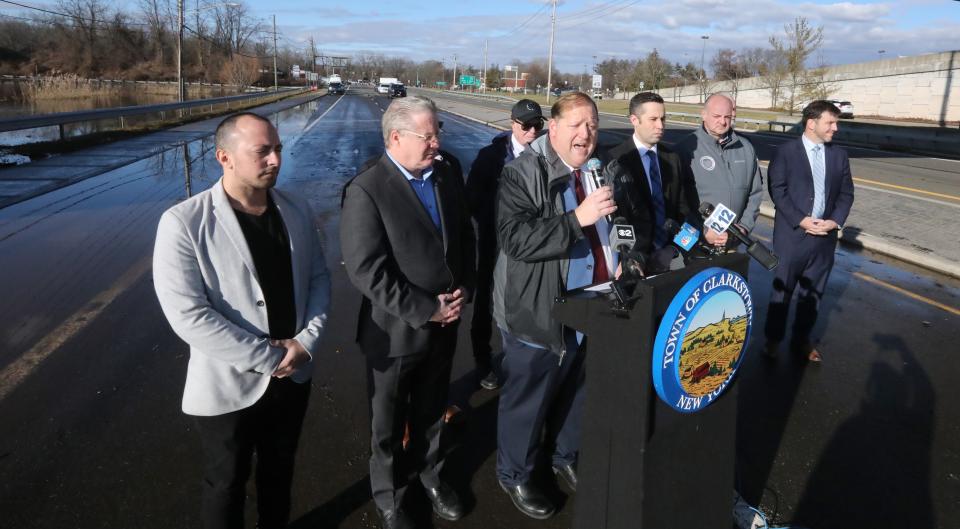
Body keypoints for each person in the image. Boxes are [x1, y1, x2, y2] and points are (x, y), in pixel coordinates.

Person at [152, 112, 331, 529]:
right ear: (224, 157)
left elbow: (319, 279)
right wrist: (268, 358)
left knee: (279, 472)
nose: (275, 160)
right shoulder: (184, 222)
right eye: (262, 152)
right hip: (228, 383)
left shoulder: (296, 209)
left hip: (294, 375)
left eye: (278, 149)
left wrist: (307, 343)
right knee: (226, 484)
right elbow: (188, 315)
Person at [340, 95, 475, 529]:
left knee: (432, 409)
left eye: (438, 133)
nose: (437, 141)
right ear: (396, 137)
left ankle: (431, 475)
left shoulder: (447, 171)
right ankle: (391, 497)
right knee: (387, 423)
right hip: (395, 333)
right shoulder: (367, 188)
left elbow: (463, 236)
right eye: (428, 134)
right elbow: (366, 271)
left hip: (446, 321)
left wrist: (464, 286)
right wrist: (425, 310)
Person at [493, 92, 617, 519]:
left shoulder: (597, 171)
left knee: (577, 391)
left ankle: (564, 454)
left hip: (593, 305)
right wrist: (575, 219)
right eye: (578, 125)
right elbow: (516, 239)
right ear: (554, 127)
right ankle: (515, 473)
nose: (587, 134)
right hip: (538, 310)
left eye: (594, 125)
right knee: (528, 400)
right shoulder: (521, 172)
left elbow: (610, 228)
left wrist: (619, 258)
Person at [465, 98, 546, 391]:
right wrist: (502, 220)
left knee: (526, 299)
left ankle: (521, 358)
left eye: (538, 125)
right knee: (488, 300)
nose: (533, 131)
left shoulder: (547, 154)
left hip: (535, 243)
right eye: (526, 126)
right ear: (513, 124)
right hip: (496, 242)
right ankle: (483, 358)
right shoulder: (491, 157)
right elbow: (472, 198)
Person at [764, 100, 854, 362]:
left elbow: (847, 194)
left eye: (836, 123)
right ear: (811, 123)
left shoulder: (839, 155)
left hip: (824, 239)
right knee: (782, 292)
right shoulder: (785, 152)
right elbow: (777, 191)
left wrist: (834, 221)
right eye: (830, 122)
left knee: (813, 295)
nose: (835, 128)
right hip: (793, 236)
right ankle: (772, 340)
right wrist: (801, 220)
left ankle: (801, 340)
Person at [603, 92, 699, 268]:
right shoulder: (614, 160)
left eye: (663, 119)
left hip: (668, 260)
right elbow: (613, 218)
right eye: (653, 119)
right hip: (629, 262)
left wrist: (673, 250)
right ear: (634, 120)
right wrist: (630, 258)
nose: (660, 125)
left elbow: (684, 210)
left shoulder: (673, 158)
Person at [676, 93, 763, 249]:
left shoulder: (746, 148)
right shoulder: (685, 148)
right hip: (695, 243)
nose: (722, 122)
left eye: (727, 117)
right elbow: (677, 201)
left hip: (732, 241)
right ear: (703, 114)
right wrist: (702, 232)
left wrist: (742, 228)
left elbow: (754, 194)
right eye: (716, 116)